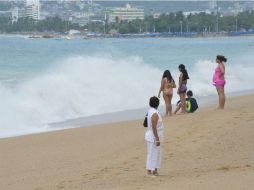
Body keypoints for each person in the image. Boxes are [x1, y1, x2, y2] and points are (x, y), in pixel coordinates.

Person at [145, 96, 164, 177]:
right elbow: (154, 126)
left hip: (150, 135)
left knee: (150, 153)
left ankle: (149, 171)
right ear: (158, 104)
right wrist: (157, 139)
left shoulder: (149, 111)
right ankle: (153, 171)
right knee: (155, 154)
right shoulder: (155, 113)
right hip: (153, 136)